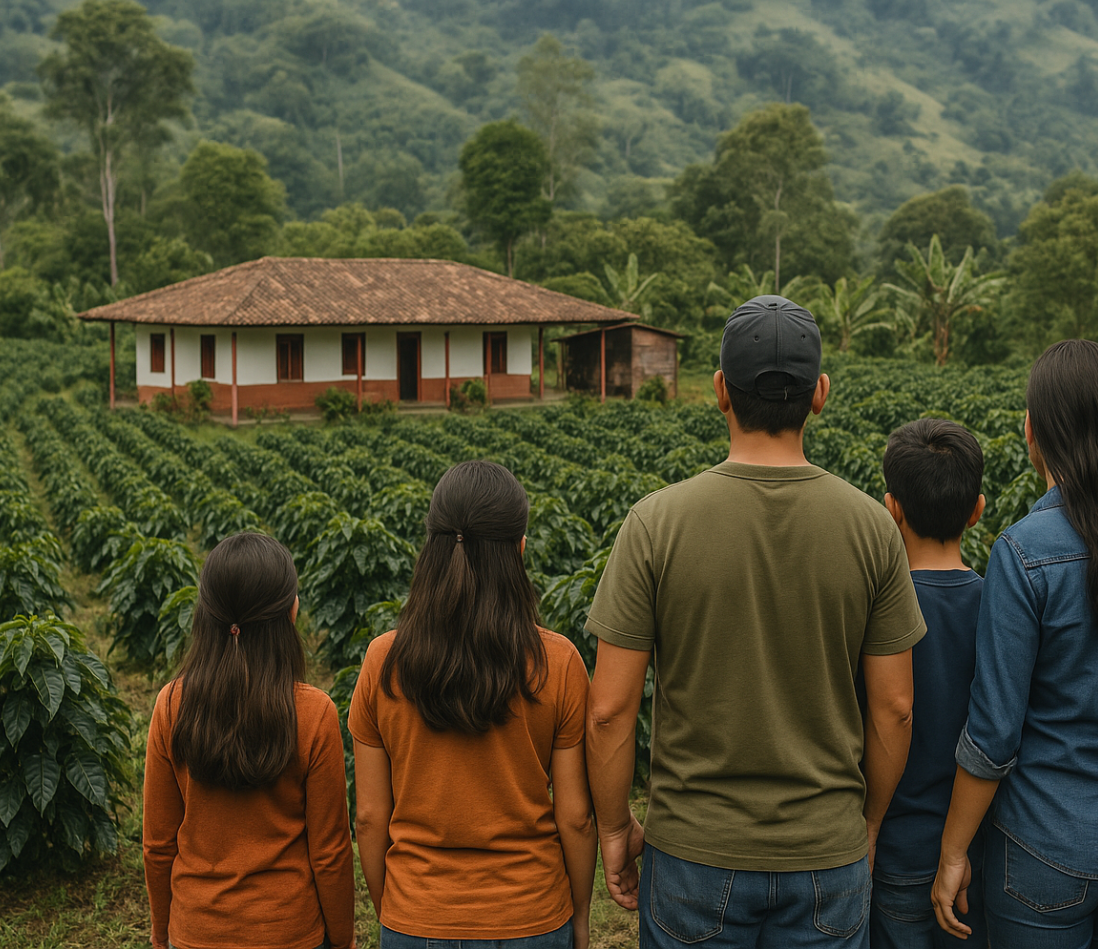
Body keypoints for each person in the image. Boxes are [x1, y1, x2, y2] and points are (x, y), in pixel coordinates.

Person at [585, 294, 926, 948]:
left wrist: (612, 827)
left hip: (693, 852)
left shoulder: (655, 523)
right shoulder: (873, 529)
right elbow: (895, 708)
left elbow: (608, 710)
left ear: (719, 390)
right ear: (820, 393)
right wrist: (869, 825)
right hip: (826, 852)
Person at [930, 340, 1098, 949]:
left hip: (1043, 850)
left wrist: (954, 853)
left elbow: (993, 734)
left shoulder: (1023, 552)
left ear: (1034, 431)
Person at [350, 459, 595, 949]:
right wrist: (582, 919)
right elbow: (575, 817)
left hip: (416, 916)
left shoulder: (383, 661)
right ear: (520, 550)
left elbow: (370, 818)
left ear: (432, 549)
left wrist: (394, 912)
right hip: (532, 916)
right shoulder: (557, 661)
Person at [143, 532, 354, 949]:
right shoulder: (314, 713)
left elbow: (157, 844)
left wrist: (160, 931)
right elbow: (330, 852)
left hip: (197, 931)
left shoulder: (171, 705)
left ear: (205, 614)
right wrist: (344, 939)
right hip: (289, 931)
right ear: (291, 613)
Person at [871, 419, 988, 949]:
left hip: (898, 847)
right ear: (977, 509)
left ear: (891, 507)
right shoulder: (1001, 606)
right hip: (978, 847)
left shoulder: (876, 612)